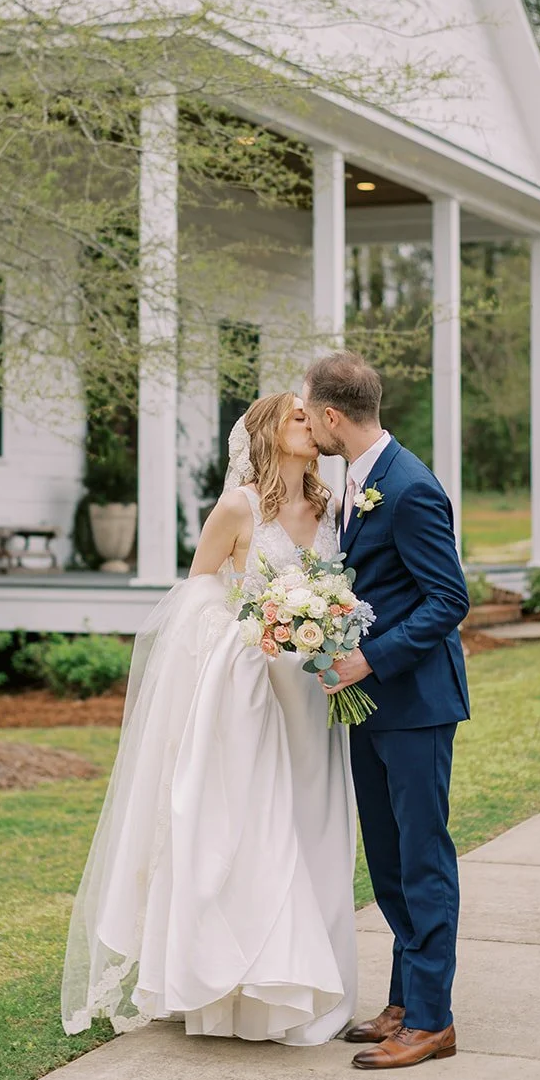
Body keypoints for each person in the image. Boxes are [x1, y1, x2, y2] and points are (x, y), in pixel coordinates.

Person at [61, 392, 358, 1045]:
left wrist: (326, 629)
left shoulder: (332, 505)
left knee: (321, 827)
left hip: (318, 691)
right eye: (299, 417)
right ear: (268, 433)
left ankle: (323, 979)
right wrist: (253, 638)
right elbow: (197, 597)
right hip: (253, 691)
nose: (313, 424)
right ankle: (244, 991)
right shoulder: (238, 507)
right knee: (259, 832)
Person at [302, 351, 470, 1070]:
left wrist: (366, 659)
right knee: (390, 863)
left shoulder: (409, 487)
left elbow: (448, 600)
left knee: (422, 859)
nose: (306, 424)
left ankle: (433, 1022)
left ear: (334, 417)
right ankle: (404, 1001)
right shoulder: (354, 481)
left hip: (415, 705)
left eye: (310, 414)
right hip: (369, 709)